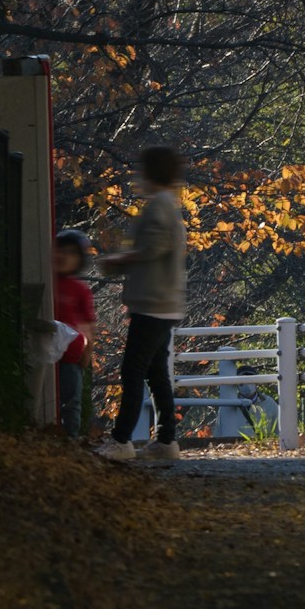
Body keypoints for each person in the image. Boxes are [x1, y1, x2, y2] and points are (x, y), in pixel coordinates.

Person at [97, 145, 187, 464]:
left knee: (132, 371)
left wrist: (119, 260)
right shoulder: (168, 204)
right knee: (155, 372)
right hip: (164, 304)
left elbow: (153, 247)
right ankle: (165, 441)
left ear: (150, 172)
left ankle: (122, 440)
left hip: (153, 304)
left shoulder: (159, 206)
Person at [51, 230, 96, 439]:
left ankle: (71, 438)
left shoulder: (80, 289)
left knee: (71, 400)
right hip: (47, 350)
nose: (63, 256)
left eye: (70, 253)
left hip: (70, 355)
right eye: (60, 250)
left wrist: (88, 350)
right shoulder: (48, 282)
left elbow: (88, 324)